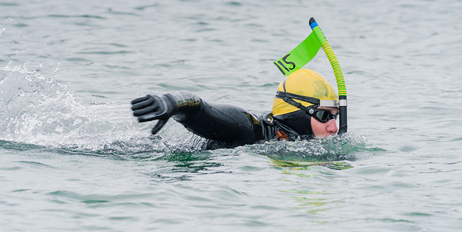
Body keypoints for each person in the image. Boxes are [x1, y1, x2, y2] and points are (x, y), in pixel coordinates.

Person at [131, 69, 340, 150]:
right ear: (297, 114)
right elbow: (198, 109)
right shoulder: (248, 128)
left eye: (335, 117)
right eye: (323, 116)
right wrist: (171, 102)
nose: (334, 128)